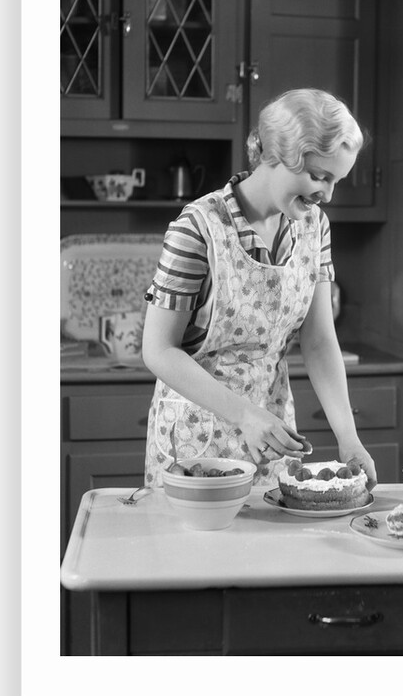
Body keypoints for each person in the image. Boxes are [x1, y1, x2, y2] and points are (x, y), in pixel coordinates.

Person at [141, 88, 378, 491]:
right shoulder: (198, 229)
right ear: (273, 155)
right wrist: (245, 415)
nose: (327, 194)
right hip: (194, 438)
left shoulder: (313, 226)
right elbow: (158, 349)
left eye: (336, 180)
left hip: (272, 437)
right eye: (318, 176)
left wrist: (348, 437)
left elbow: (319, 340)